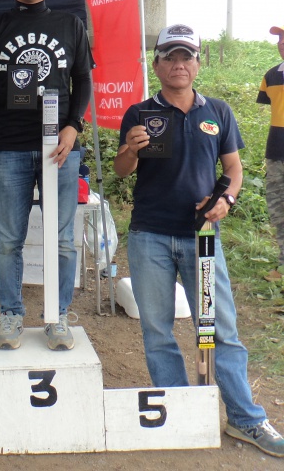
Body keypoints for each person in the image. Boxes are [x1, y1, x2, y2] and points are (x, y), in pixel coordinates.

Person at [114, 24, 284, 457]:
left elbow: (235, 169)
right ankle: (179, 410)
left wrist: (225, 198)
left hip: (203, 239)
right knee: (157, 330)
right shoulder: (138, 112)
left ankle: (245, 420)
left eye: (186, 56)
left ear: (197, 63)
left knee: (219, 330)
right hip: (149, 235)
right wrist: (131, 150)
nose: (178, 64)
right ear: (156, 64)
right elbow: (121, 171)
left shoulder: (219, 112)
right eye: (170, 56)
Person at [0, 0, 93, 350]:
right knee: (8, 240)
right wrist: (22, 93)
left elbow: (83, 80)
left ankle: (57, 318)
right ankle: (10, 315)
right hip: (10, 147)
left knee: (62, 239)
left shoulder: (71, 26)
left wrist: (74, 125)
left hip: (61, 147)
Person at [257, 24, 284, 275]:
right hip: (276, 152)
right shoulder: (271, 76)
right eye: (280, 38)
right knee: (278, 207)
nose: (283, 42)